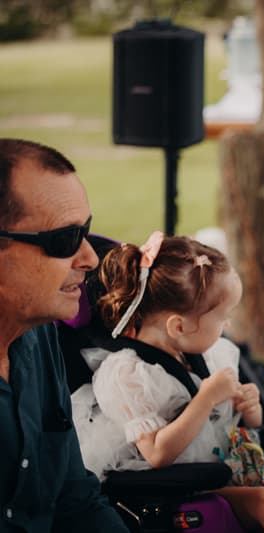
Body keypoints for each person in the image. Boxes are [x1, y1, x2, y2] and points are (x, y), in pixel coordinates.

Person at [71, 232, 264, 533]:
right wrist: (206, 398)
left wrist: (249, 408)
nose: (227, 326)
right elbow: (158, 454)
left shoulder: (204, 356)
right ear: (179, 325)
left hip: (230, 466)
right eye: (222, 317)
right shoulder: (129, 375)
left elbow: (239, 427)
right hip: (184, 485)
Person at [0, 138, 128, 532]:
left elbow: (77, 501)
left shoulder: (40, 338)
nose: (90, 258)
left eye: (85, 232)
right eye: (64, 240)